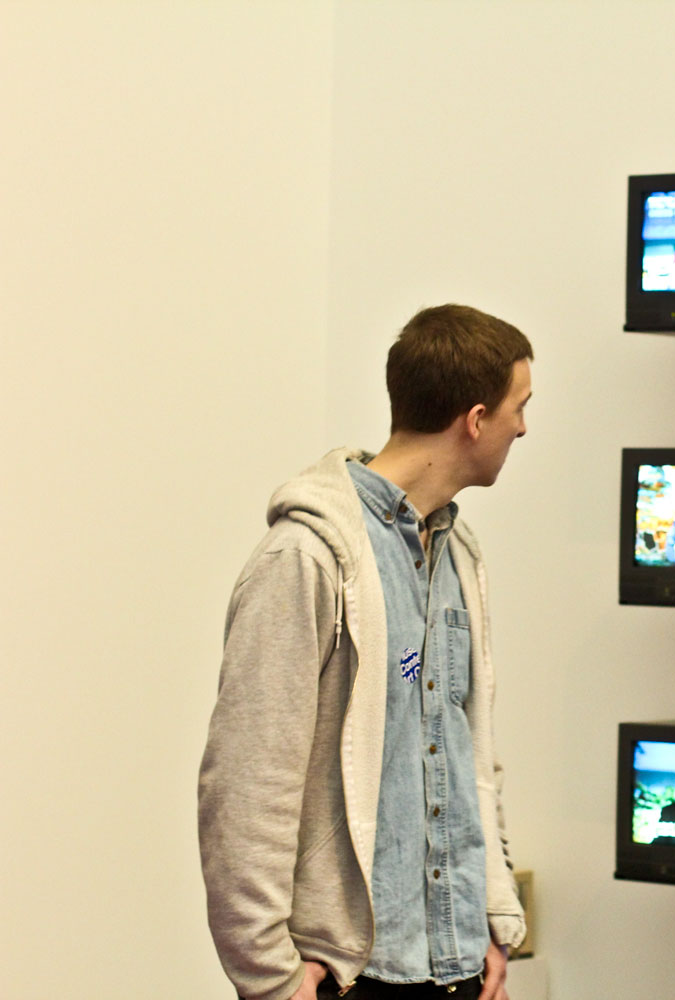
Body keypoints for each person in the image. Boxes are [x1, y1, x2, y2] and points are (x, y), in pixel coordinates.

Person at [199, 304, 533, 1000]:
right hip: (348, 975)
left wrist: (489, 917)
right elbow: (248, 783)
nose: (523, 428)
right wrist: (269, 976)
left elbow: (467, 757)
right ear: (475, 420)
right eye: (519, 407)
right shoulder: (305, 557)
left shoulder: (459, 554)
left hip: (457, 965)